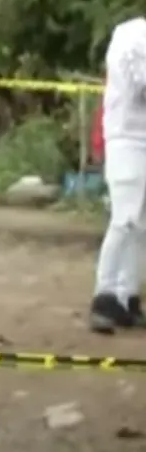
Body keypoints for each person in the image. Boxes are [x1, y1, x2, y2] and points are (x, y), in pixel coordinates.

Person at [90, 17, 146, 333]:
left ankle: (127, 295)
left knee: (141, 222)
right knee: (125, 219)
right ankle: (105, 293)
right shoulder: (133, 36)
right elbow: (142, 83)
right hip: (127, 137)